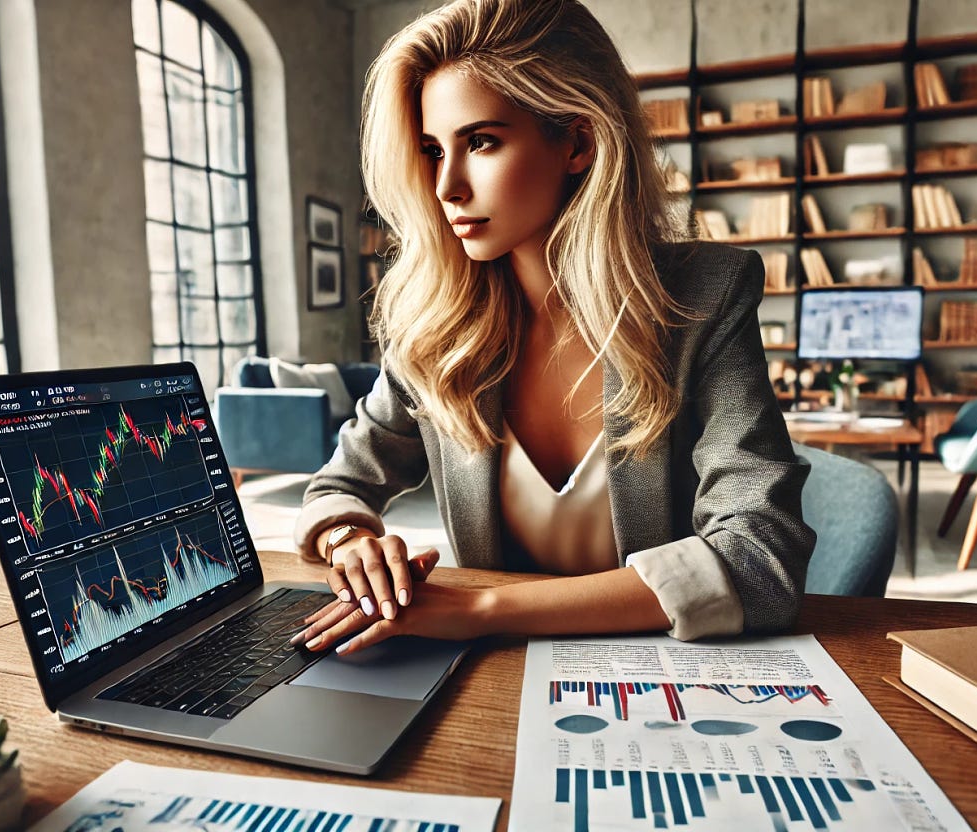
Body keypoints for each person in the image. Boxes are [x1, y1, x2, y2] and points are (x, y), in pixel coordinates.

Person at [289, 0, 814, 656]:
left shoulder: (705, 297)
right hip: (490, 683)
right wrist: (353, 544)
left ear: (578, 141)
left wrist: (484, 608)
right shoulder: (433, 322)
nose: (446, 185)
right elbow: (339, 485)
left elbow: (763, 558)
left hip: (666, 673)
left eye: (481, 141)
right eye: (430, 150)